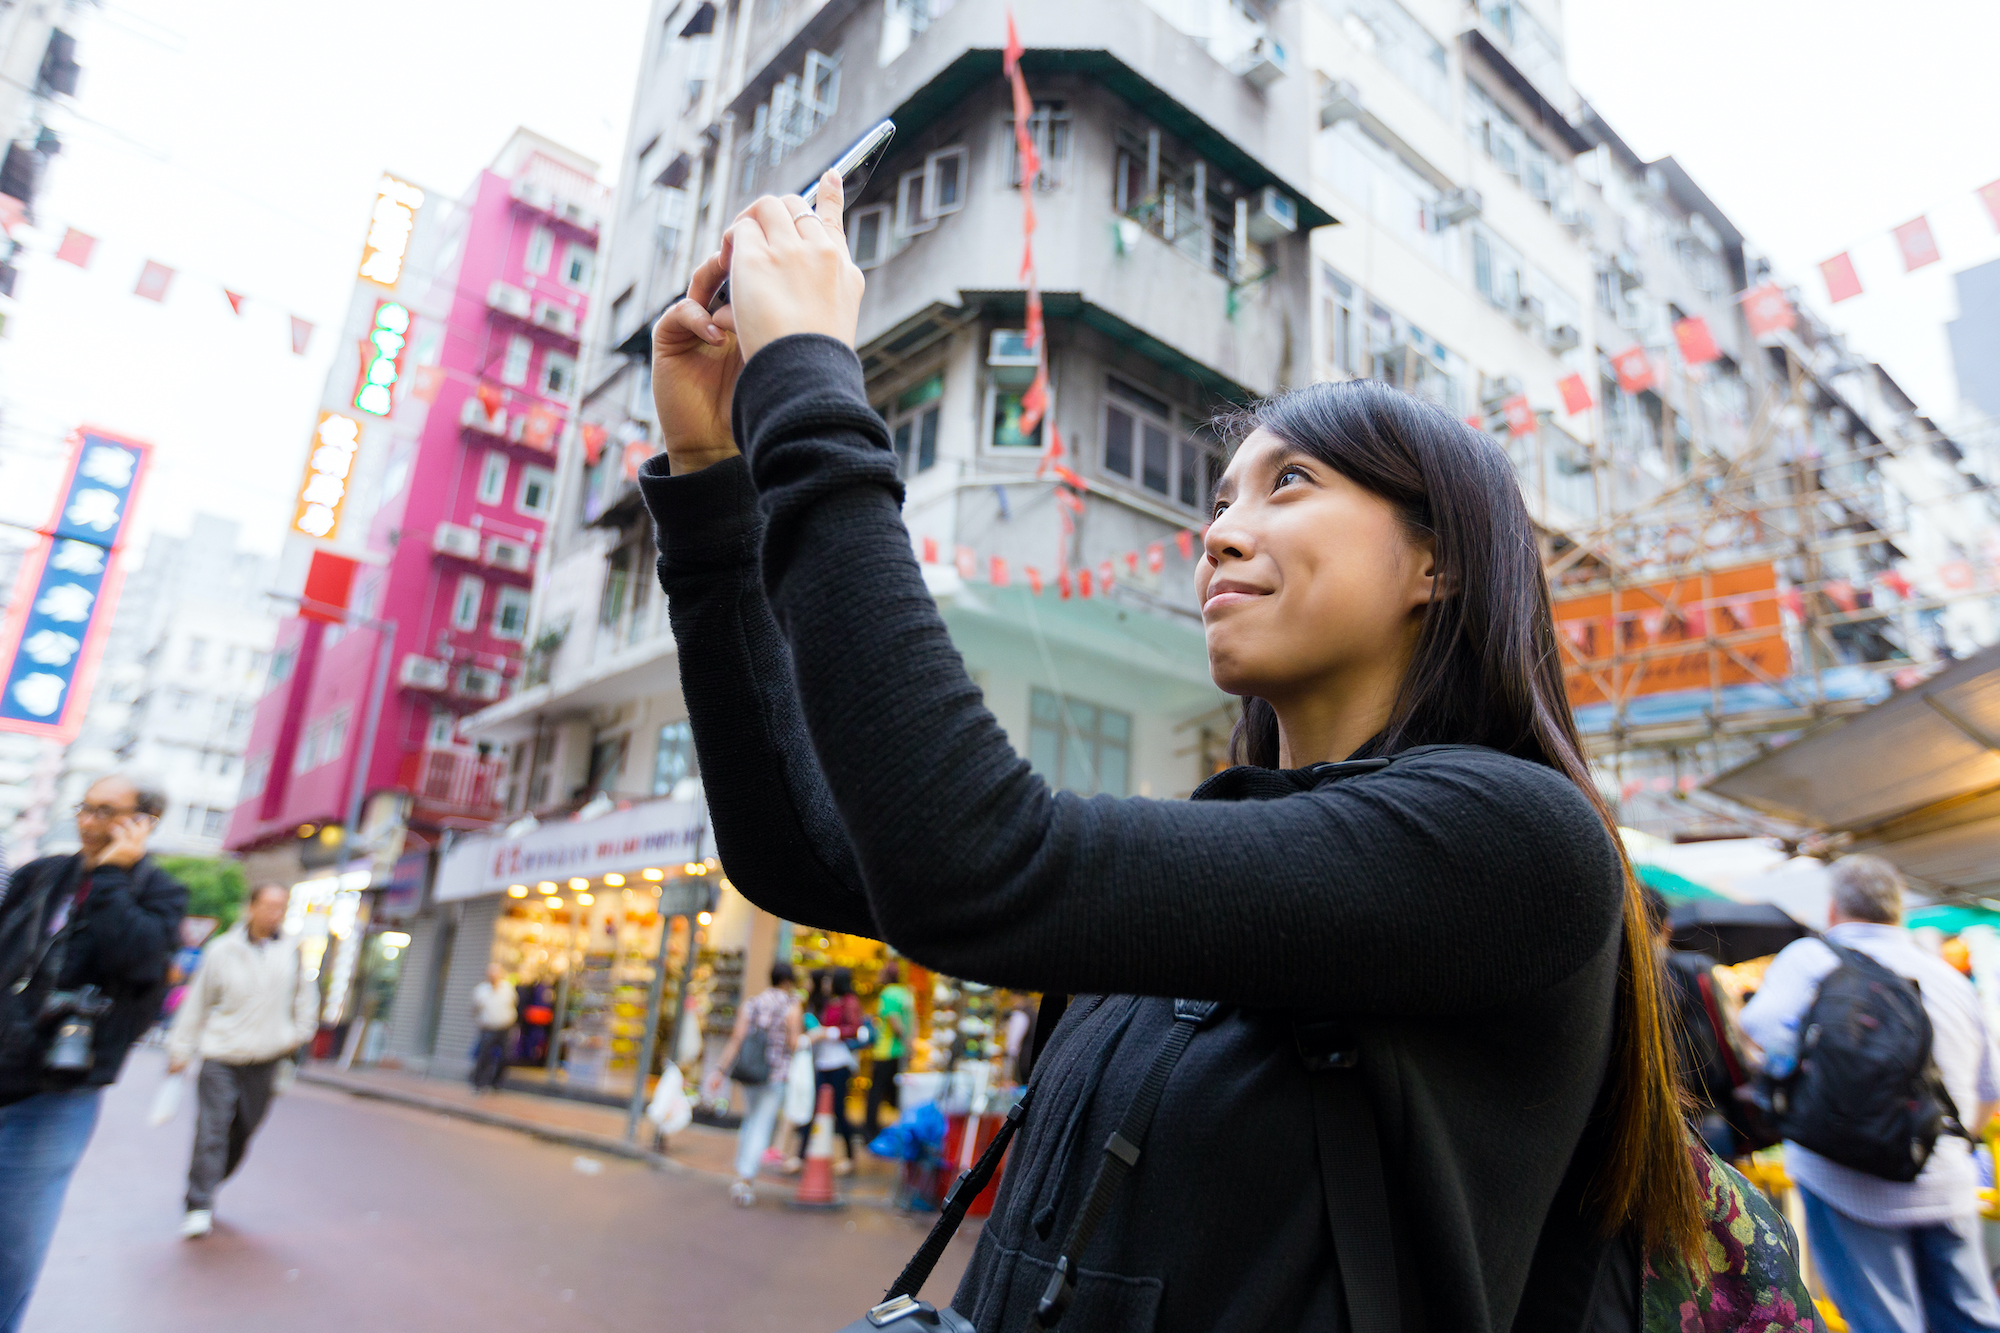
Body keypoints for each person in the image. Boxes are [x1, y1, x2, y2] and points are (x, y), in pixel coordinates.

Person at [636, 177, 1795, 1331]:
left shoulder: (1514, 843)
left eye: (1288, 484)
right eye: (1220, 497)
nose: (1219, 532)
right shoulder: (1231, 851)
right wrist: (707, 477)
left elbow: (971, 861)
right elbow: (798, 852)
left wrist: (807, 377)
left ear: (1436, 563)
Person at [1740, 855, 2000, 1332]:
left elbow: (1757, 1033)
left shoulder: (1809, 959)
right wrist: (1939, 1146)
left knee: (1883, 1322)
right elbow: (1989, 1091)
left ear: (1834, 908)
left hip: (1844, 1180)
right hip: (1946, 1178)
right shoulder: (1945, 974)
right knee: (1972, 1319)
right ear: (1897, 910)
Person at [0, 775, 185, 1332]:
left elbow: (138, 961)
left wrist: (110, 875)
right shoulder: (39, 876)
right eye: (85, 808)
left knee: (14, 1241)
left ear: (142, 822)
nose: (88, 822)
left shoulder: (160, 892)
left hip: (56, 1090)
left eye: (107, 812)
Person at [165, 882, 317, 1239]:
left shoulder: (292, 951)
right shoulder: (222, 950)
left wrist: (298, 1034)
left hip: (266, 1057)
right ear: (250, 907)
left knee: (244, 1130)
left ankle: (210, 1180)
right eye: (267, 905)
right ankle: (198, 1203)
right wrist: (180, 1050)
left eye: (280, 907)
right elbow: (197, 1002)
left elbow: (306, 999)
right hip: (221, 1053)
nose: (273, 913)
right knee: (212, 1129)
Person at [1643, 886, 1751, 1159]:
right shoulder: (1696, 967)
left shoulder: (1616, 978)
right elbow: (1734, 1034)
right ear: (1667, 926)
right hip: (1707, 1109)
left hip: (1645, 1117)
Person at [711, 960, 802, 1205]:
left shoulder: (752, 1003)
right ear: (788, 981)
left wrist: (720, 1070)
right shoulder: (792, 1006)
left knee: (751, 1120)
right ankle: (745, 1179)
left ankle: (742, 1170)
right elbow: (794, 1044)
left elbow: (737, 1038)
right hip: (775, 1075)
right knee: (762, 1124)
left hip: (751, 1073)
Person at [865, 959, 911, 1136]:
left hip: (885, 1051)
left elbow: (895, 1022)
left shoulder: (888, 994)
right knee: (895, 1094)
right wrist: (909, 1046)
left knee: (875, 1093)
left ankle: (870, 1131)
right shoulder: (906, 994)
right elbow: (911, 1023)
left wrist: (904, 1039)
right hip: (900, 1052)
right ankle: (901, 1129)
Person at [468, 963, 517, 1093]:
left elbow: (513, 1004)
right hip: (488, 1028)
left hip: (505, 1028)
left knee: (505, 1057)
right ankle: (478, 1084)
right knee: (484, 1056)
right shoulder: (481, 990)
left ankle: (496, 1084)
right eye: (492, 973)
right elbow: (474, 1009)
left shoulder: (508, 988)